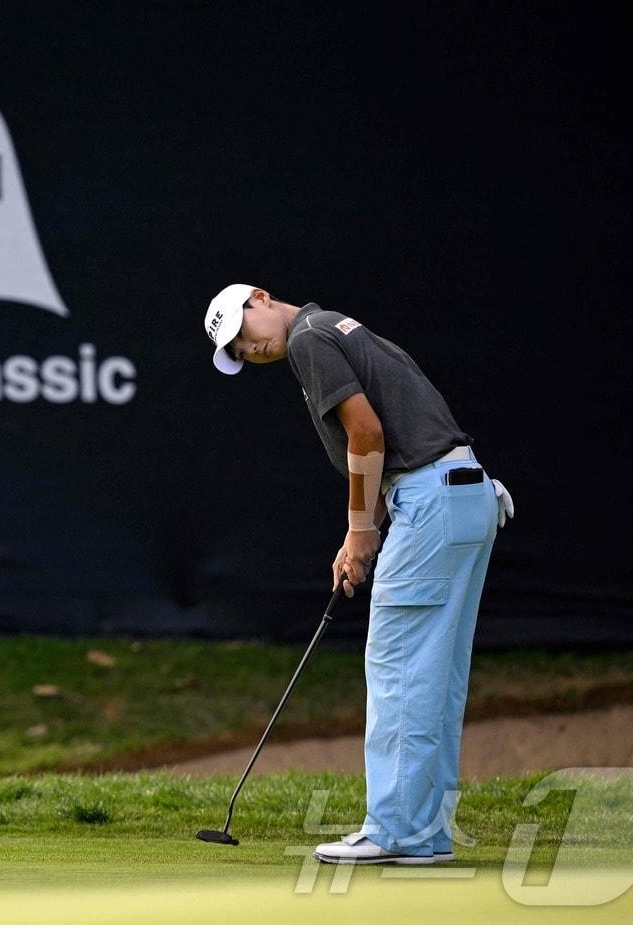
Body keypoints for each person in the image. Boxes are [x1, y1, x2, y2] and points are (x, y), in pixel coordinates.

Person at [202, 283, 513, 865]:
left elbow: (365, 434)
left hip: (430, 500)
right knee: (434, 676)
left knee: (399, 668)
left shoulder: (307, 339)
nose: (249, 350)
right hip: (464, 495)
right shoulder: (338, 326)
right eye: (238, 352)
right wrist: (374, 526)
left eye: (243, 335)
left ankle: (395, 830)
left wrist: (360, 531)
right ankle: (421, 833)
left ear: (261, 299)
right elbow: (405, 424)